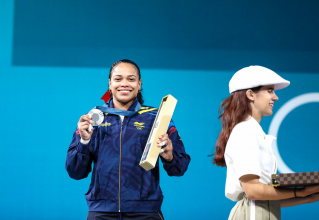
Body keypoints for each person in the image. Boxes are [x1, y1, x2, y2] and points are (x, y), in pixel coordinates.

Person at [66, 59, 190, 220]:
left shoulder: (157, 117)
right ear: (110, 84)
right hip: (102, 212)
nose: (124, 84)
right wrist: (84, 141)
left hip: (145, 212)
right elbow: (75, 171)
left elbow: (180, 168)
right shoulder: (93, 118)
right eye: (118, 79)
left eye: (131, 79)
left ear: (139, 84)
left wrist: (169, 157)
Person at [212, 66, 319, 220]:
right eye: (269, 91)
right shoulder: (245, 131)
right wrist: (298, 192)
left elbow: (267, 197)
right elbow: (253, 191)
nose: (275, 97)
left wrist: (309, 196)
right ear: (250, 94)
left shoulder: (253, 130)